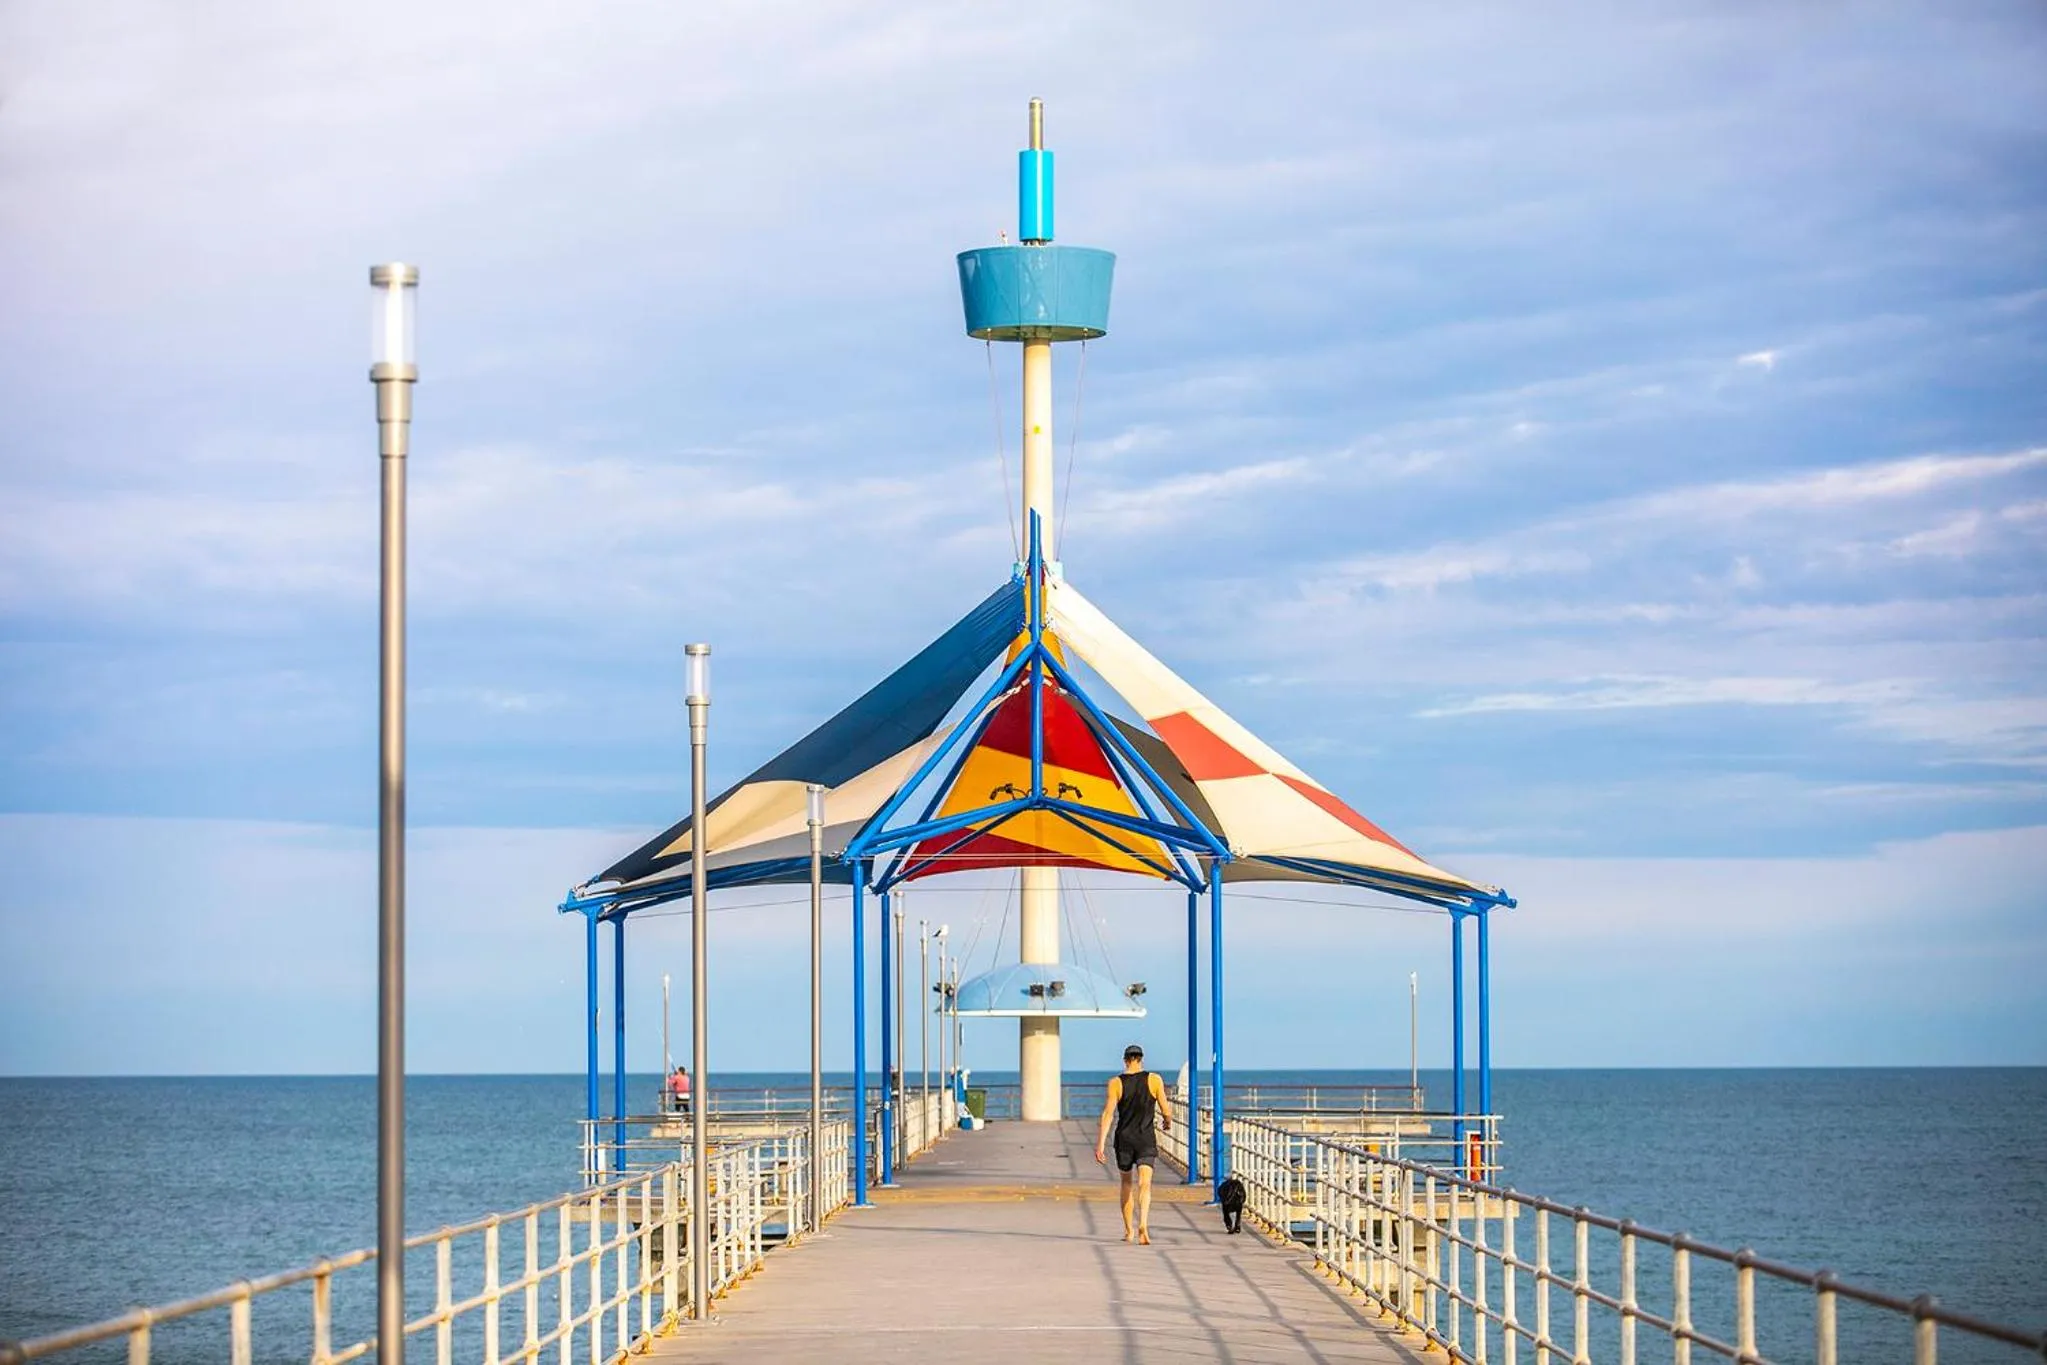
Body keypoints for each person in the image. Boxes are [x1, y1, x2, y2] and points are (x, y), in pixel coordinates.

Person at [1094, 1043, 1172, 1244]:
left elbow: (1108, 1114)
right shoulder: (1154, 1080)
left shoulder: (1116, 1083)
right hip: (1145, 1139)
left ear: (1125, 1060)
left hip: (1124, 1140)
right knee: (1145, 1184)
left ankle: (1129, 1230)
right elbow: (1166, 1109)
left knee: (1126, 1183)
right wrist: (1167, 1121)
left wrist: (1100, 1144)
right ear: (1141, 1059)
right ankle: (1143, 1224)